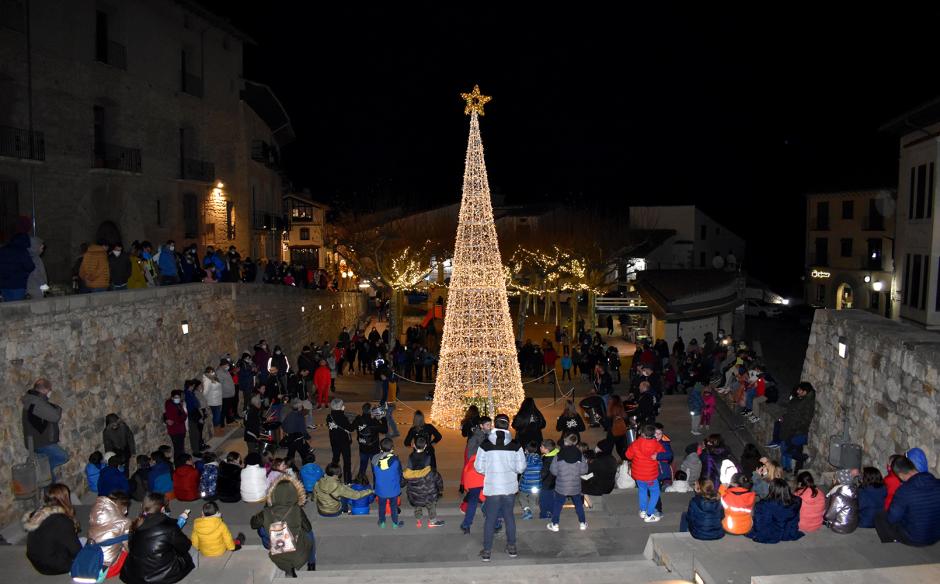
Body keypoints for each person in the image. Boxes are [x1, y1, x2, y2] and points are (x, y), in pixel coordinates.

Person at [474, 413, 526, 562]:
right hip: (509, 488)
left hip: (493, 488)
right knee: (509, 517)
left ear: (495, 425)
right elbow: (521, 468)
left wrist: (489, 472)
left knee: (490, 519)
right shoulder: (516, 445)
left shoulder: (485, 444)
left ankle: (487, 551)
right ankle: (511, 547)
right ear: (508, 426)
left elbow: (478, 467)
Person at [120, 492, 194, 584]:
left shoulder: (135, 524)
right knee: (188, 554)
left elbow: (131, 547)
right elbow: (185, 546)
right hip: (161, 575)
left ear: (143, 506)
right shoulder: (169, 526)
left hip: (134, 574)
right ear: (162, 509)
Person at [876, 455, 940, 546]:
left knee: (880, 517)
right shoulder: (938, 483)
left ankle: (892, 542)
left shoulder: (904, 490)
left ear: (901, 475)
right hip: (936, 536)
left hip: (914, 539)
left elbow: (892, 518)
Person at [23, 484, 81, 575]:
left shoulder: (37, 514)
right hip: (53, 566)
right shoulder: (62, 521)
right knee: (87, 545)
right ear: (66, 498)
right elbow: (77, 551)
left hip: (36, 562)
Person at [21, 378, 69, 480]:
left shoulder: (34, 400)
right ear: (45, 390)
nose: (50, 392)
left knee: (48, 475)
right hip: (41, 442)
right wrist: (58, 408)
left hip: (40, 440)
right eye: (49, 390)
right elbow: (55, 416)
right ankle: (40, 469)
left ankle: (46, 479)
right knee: (62, 457)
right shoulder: (36, 402)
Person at [765, 382, 816, 471]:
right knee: (784, 447)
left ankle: (804, 458)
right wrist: (784, 418)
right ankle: (786, 468)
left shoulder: (807, 404)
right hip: (788, 428)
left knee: (786, 450)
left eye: (800, 390)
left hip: (795, 432)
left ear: (805, 392)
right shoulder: (799, 399)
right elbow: (791, 413)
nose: (797, 391)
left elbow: (804, 420)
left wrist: (793, 427)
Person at [547, 433, 589, 532]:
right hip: (575, 486)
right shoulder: (580, 455)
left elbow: (553, 471)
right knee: (578, 504)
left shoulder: (559, 455)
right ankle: (582, 523)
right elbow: (584, 471)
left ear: (566, 441)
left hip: (562, 486)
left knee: (558, 505)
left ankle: (555, 524)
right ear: (575, 442)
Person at [626, 424, 665, 523]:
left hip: (638, 475)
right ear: (653, 434)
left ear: (642, 433)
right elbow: (663, 454)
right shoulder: (656, 444)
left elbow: (628, 455)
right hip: (650, 475)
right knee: (655, 493)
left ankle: (643, 511)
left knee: (642, 491)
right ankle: (649, 515)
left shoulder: (635, 443)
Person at [88, 490, 131, 579]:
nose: (126, 511)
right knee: (129, 550)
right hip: (107, 569)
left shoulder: (94, 514)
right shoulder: (124, 522)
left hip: (90, 561)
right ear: (123, 507)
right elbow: (128, 547)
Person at [404, 436, 446, 528]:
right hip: (428, 492)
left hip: (415, 491)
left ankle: (418, 520)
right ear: (426, 445)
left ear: (414, 445)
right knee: (431, 505)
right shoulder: (428, 459)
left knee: (417, 504)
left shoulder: (410, 458)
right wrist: (440, 489)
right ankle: (432, 521)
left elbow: (407, 472)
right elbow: (438, 479)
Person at [748, 478, 804, 543]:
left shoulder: (764, 505)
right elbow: (795, 519)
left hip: (772, 534)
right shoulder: (797, 500)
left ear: (772, 489)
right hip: (788, 533)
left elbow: (760, 524)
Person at [372, 439, 404, 528]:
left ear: (380, 448)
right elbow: (399, 474)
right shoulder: (396, 461)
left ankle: (382, 522)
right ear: (392, 449)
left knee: (381, 506)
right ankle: (395, 523)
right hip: (393, 489)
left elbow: (375, 474)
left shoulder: (374, 459)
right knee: (393, 506)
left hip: (380, 490)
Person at [354, 402, 389, 478]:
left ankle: (360, 482)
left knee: (362, 466)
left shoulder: (358, 419)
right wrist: (383, 418)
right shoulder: (374, 422)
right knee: (375, 468)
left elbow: (352, 427)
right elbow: (385, 430)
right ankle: (376, 486)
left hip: (362, 447)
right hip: (373, 449)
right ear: (370, 411)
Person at [326, 398, 355, 484]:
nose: (344, 407)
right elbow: (350, 428)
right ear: (340, 407)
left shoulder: (329, 417)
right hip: (344, 442)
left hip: (334, 441)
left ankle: (332, 476)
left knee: (335, 458)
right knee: (347, 461)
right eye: (343, 405)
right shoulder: (342, 418)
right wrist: (356, 421)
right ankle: (348, 480)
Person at [0, 230, 34, 301]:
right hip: (18, 284)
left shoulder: (2, 250)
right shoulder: (22, 251)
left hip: (3, 284)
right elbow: (30, 266)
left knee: (7, 306)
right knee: (17, 306)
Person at [517, 441, 542, 520]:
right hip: (536, 485)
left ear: (526, 450)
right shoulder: (540, 459)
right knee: (533, 499)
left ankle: (527, 510)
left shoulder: (524, 459)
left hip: (525, 485)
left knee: (521, 497)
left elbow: (521, 471)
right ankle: (530, 512)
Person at [163, 390, 187, 462]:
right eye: (176, 397)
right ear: (172, 398)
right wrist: (182, 417)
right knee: (178, 450)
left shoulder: (178, 404)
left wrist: (182, 416)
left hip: (180, 429)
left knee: (180, 449)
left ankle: (181, 463)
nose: (178, 399)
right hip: (175, 431)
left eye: (179, 397)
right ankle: (179, 465)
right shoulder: (170, 405)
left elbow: (184, 415)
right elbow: (177, 418)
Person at [202, 367, 223, 435]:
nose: (212, 373)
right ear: (207, 373)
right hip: (213, 401)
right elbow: (205, 392)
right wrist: (206, 402)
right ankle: (217, 432)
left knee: (217, 416)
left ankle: (218, 430)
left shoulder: (214, 379)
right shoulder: (207, 381)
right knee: (216, 417)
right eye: (211, 372)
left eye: (213, 371)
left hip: (217, 400)